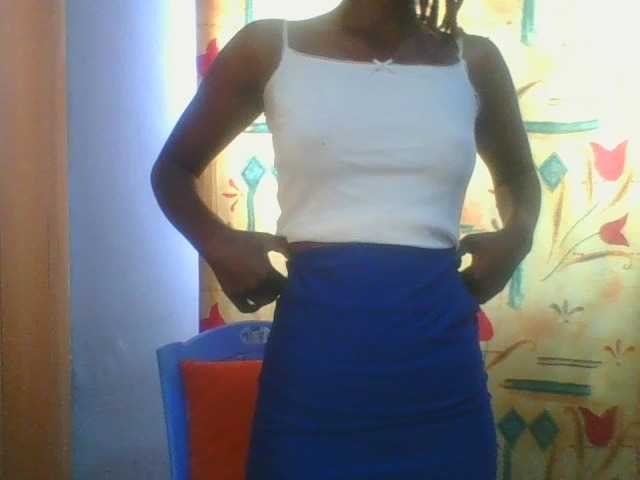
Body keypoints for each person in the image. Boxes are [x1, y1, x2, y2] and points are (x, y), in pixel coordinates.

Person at [151, 0, 541, 478]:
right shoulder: (269, 48)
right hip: (311, 384)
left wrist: (517, 236)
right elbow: (173, 170)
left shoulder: (474, 61)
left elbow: (519, 177)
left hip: (442, 384)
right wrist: (217, 241)